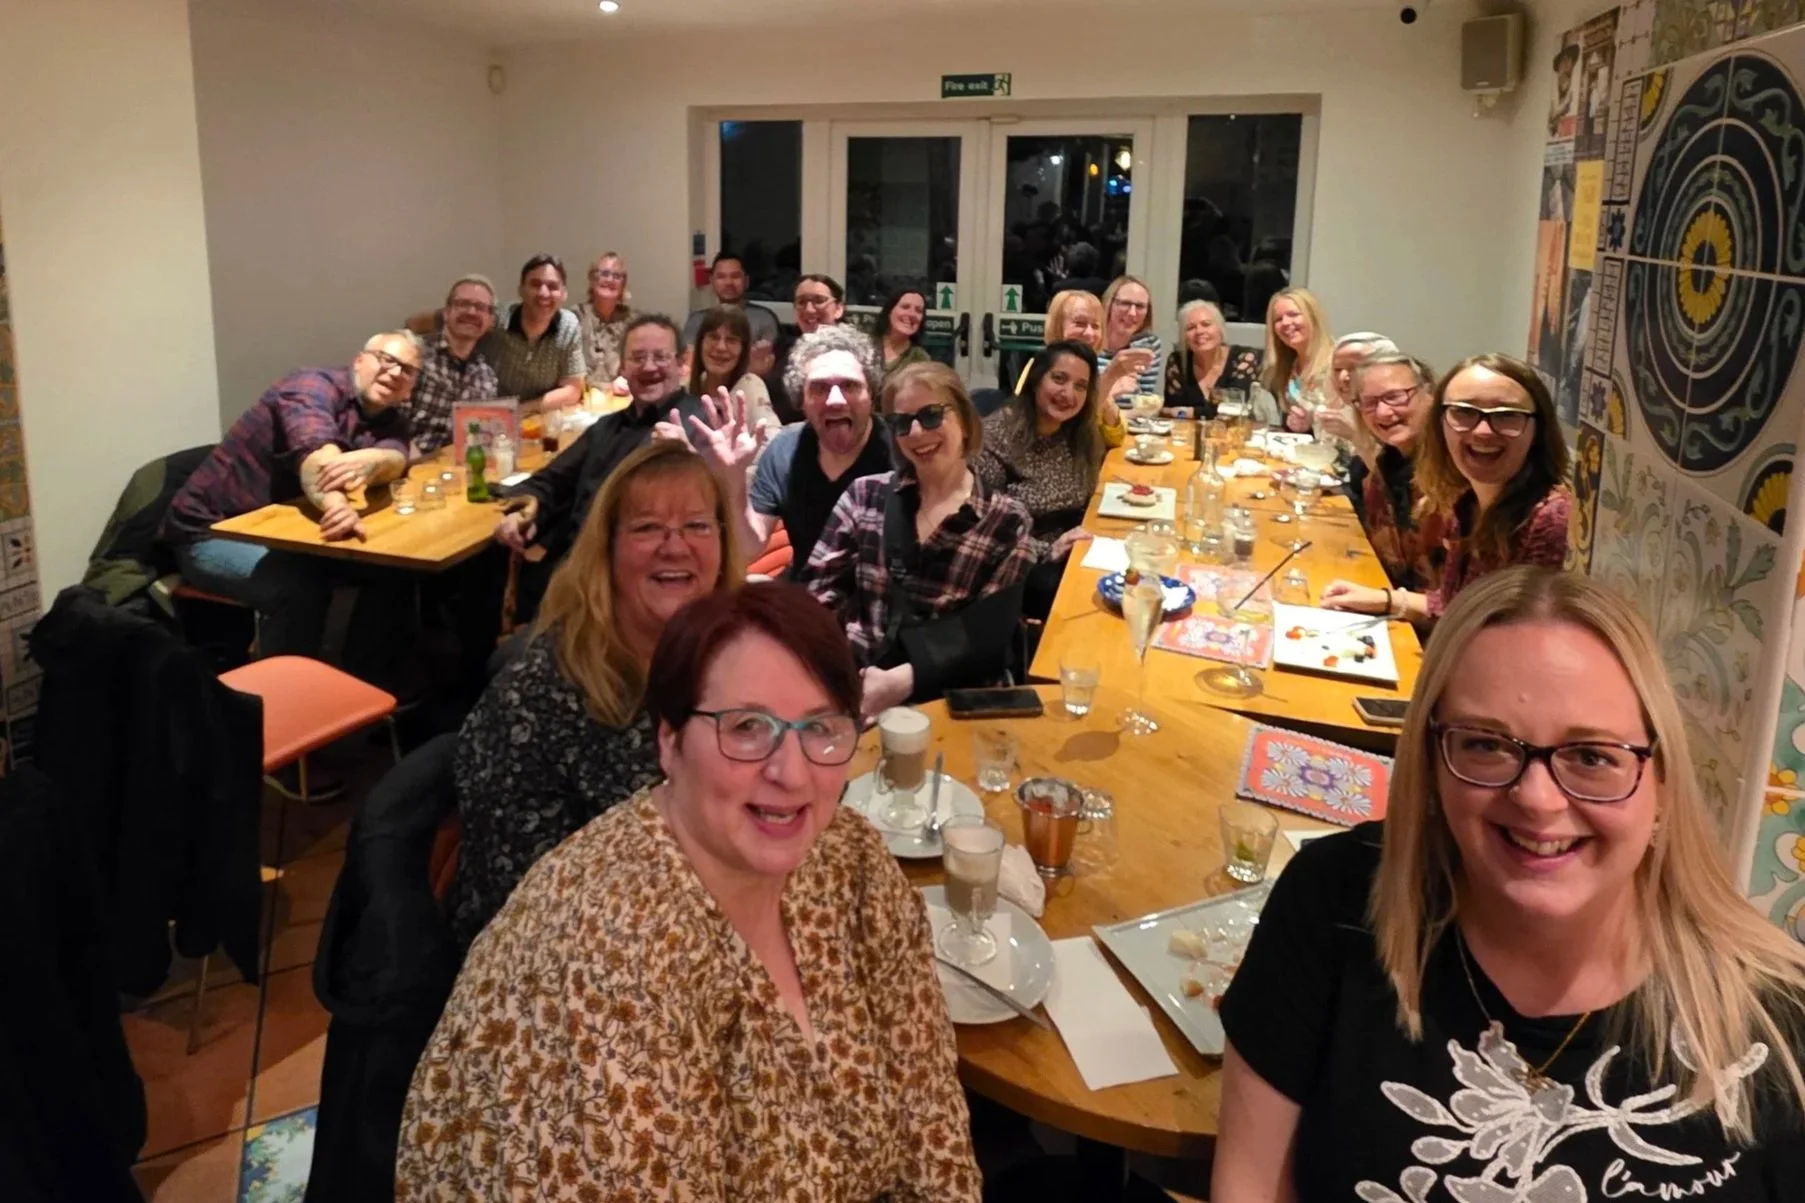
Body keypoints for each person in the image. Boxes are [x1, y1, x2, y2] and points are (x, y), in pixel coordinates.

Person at [1212, 567, 1805, 1202]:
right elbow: (1249, 1183)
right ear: (1431, 762)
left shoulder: (1779, 1029)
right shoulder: (1337, 901)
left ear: (1661, 785)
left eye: (1593, 756)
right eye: (1487, 745)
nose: (1537, 799)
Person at [399, 582, 982, 1200]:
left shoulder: (851, 859)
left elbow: (931, 1120)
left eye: (821, 728)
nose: (791, 772)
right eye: (748, 727)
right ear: (669, 741)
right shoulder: (602, 969)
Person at [446, 440, 741, 950]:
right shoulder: (534, 697)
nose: (675, 546)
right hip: (570, 965)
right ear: (605, 548)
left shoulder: (728, 662)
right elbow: (532, 906)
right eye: (647, 527)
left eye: (696, 525)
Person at [160, 332, 420, 695]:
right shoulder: (310, 386)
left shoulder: (388, 416)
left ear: (410, 388)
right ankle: (283, 709)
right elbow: (314, 454)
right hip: (210, 532)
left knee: (394, 568)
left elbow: (398, 454)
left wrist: (378, 459)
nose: (394, 372)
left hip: (282, 532)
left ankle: (364, 686)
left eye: (407, 370)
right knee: (298, 587)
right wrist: (338, 505)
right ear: (359, 360)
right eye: (386, 359)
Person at [804, 362, 1034, 714]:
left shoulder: (1006, 520)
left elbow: (986, 636)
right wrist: (842, 682)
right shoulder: (865, 496)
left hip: (947, 702)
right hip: (856, 692)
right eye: (900, 423)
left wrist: (901, 682)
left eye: (930, 416)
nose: (915, 433)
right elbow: (817, 598)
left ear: (966, 423)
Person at [1322, 353, 1571, 625]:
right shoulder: (1466, 505)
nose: (1483, 431)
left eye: (1506, 415)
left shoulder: (1550, 519)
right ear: (1440, 422)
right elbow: (1452, 606)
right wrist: (1385, 600)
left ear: (1539, 428)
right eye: (1464, 412)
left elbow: (1522, 639)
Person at [495, 315, 707, 619]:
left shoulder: (697, 426)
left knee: (505, 658)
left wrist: (688, 459)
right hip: (571, 575)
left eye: (660, 357)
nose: (649, 367)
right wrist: (522, 510)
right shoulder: (606, 427)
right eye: (637, 357)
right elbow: (551, 480)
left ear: (681, 364)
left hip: (630, 592)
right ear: (622, 368)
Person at [681, 325, 892, 584]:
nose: (835, 400)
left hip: (884, 600)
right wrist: (732, 477)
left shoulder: (900, 449)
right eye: (819, 388)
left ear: (871, 394)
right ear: (800, 400)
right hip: (810, 596)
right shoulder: (785, 449)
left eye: (850, 385)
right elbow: (749, 546)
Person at [977, 341, 1105, 620]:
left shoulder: (1080, 434)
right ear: (1036, 379)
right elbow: (983, 531)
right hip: (1021, 567)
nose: (1068, 393)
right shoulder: (997, 436)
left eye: (1081, 386)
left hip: (1076, 550)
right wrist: (1049, 549)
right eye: (1059, 379)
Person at [1335, 352, 1447, 601]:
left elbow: (1469, 599)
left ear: (1429, 394)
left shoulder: (1455, 472)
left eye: (1395, 397)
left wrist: (1391, 603)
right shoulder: (1386, 466)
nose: (1383, 413)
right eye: (1370, 403)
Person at [1011, 290, 1128, 445]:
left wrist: (1105, 394)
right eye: (1079, 323)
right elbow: (1066, 435)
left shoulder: (1090, 371)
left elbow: (1116, 436)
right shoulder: (1038, 367)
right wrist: (1108, 381)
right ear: (1058, 327)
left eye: (1095, 326)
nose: (1089, 333)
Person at [478, 255, 588, 410]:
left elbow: (573, 390)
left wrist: (520, 410)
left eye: (552, 287)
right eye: (535, 284)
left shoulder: (568, 325)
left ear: (564, 294)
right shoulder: (496, 319)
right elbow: (457, 318)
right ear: (521, 290)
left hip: (541, 418)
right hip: (494, 417)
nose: (544, 293)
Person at [407, 275, 500, 457]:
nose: (471, 312)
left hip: (461, 469)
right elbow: (386, 424)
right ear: (446, 312)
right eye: (463, 304)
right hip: (409, 467)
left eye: (480, 307)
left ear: (490, 322)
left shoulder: (487, 378)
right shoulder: (415, 355)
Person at [1162, 299, 1276, 423]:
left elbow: (1232, 409)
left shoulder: (1245, 359)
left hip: (1233, 436)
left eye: (1206, 324)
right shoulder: (1177, 362)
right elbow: (1168, 411)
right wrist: (1180, 412)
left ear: (1220, 329)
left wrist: (1186, 412)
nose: (1199, 331)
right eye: (1190, 328)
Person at [764, 272, 846, 422]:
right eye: (801, 302)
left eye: (819, 301)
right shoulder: (781, 347)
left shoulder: (850, 353)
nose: (809, 309)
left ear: (838, 309)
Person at [687, 304, 777, 434]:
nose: (721, 347)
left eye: (731, 340)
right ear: (700, 342)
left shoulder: (751, 385)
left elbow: (771, 438)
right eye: (713, 337)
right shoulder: (685, 386)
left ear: (743, 350)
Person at [1259, 286, 1334, 433]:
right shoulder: (1286, 369)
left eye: (1293, 314)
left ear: (1312, 317)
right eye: (1278, 319)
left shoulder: (1338, 363)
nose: (1286, 323)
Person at [683, 251, 779, 359]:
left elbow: (765, 362)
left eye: (735, 276)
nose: (728, 282)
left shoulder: (764, 318)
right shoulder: (697, 320)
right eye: (721, 277)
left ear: (746, 281)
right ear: (712, 281)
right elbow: (689, 362)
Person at [1098, 274, 1164, 398]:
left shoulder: (1149, 344)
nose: (1132, 313)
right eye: (1125, 304)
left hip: (1129, 417)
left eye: (1140, 306)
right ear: (1109, 304)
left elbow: (1144, 401)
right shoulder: (1090, 338)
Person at [575, 251, 632, 390]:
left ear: (623, 285)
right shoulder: (575, 317)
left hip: (621, 399)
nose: (610, 280)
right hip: (582, 402)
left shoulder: (631, 320)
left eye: (617, 276)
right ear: (592, 279)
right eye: (604, 274)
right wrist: (609, 387)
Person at [874, 287, 932, 380]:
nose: (912, 314)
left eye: (918, 310)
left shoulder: (920, 358)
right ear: (889, 311)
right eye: (905, 307)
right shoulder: (865, 346)